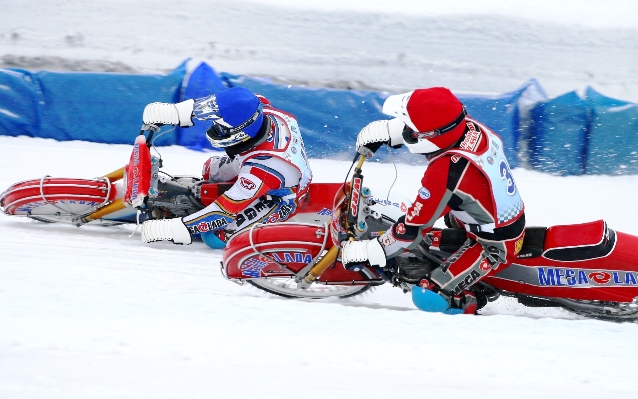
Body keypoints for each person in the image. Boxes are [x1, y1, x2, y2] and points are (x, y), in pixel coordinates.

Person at [341, 87, 525, 315]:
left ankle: (470, 297)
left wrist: (373, 249)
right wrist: (389, 131)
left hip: (494, 244)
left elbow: (411, 229)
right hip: (488, 213)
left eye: (411, 129)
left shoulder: (445, 172)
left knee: (427, 296)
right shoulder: (469, 127)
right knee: (444, 219)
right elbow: (436, 129)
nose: (408, 131)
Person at [139, 86, 312, 249]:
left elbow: (224, 211)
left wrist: (174, 230)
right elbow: (227, 104)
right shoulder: (258, 107)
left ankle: (189, 218)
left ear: (242, 133)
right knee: (210, 168)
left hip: (281, 200)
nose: (216, 128)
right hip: (257, 159)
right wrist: (176, 113)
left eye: (221, 128)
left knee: (215, 236)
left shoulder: (263, 170)